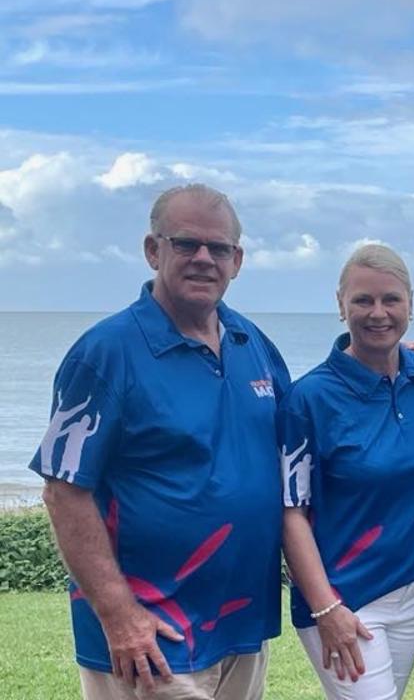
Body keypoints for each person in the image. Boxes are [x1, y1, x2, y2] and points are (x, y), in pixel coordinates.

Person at [31, 184, 290, 699]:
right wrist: (119, 615)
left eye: (218, 248)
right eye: (185, 244)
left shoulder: (252, 343)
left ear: (236, 260)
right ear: (154, 250)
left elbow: (306, 426)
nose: (203, 258)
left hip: (240, 625)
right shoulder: (105, 353)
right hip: (151, 635)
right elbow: (63, 493)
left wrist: (404, 363)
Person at [277, 244, 414, 699]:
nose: (378, 313)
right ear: (340, 306)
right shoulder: (309, 399)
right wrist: (325, 607)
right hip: (346, 597)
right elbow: (290, 512)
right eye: (363, 300)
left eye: (391, 299)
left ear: (410, 304)